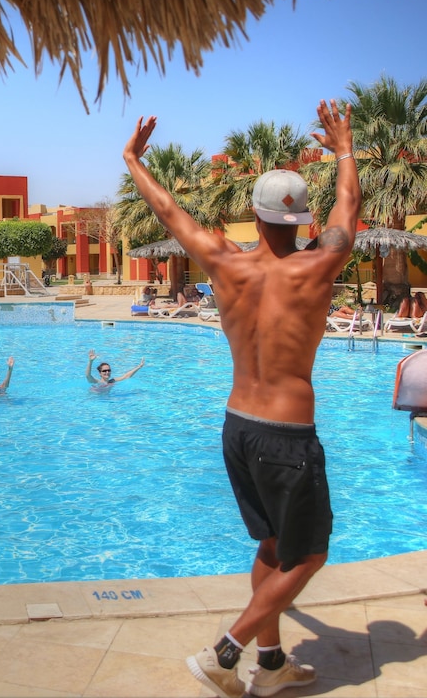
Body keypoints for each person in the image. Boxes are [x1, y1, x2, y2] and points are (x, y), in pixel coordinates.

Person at [123, 99, 359, 698]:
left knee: (273, 546)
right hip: (287, 438)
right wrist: (344, 150)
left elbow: (169, 211)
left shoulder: (222, 260)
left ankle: (271, 664)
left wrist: (133, 160)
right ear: (302, 220)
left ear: (254, 216)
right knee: (309, 556)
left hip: (237, 428)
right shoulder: (318, 265)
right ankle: (226, 652)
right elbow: (349, 208)